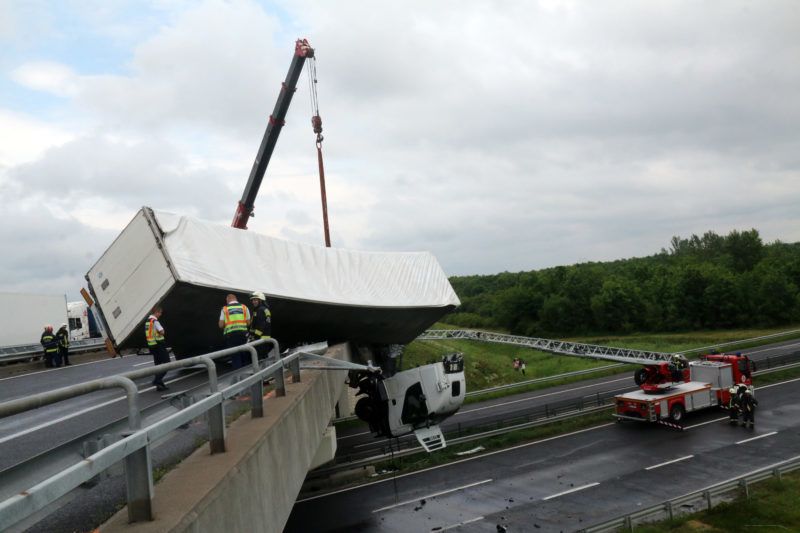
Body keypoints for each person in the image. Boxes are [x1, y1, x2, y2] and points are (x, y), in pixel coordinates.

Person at [219, 293, 251, 369]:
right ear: (236, 299)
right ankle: (247, 373)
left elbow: (221, 325)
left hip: (231, 336)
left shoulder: (225, 309)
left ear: (228, 299)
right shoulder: (244, 307)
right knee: (244, 353)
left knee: (235, 355)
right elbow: (249, 323)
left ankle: (238, 376)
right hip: (243, 334)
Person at [145, 306, 169, 391]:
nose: (161, 314)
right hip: (159, 345)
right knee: (167, 363)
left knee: (158, 365)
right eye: (160, 313)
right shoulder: (155, 321)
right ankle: (157, 380)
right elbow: (162, 332)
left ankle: (159, 386)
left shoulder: (148, 321)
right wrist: (161, 333)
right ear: (156, 312)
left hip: (152, 346)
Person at [249, 291, 272, 357]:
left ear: (261, 300)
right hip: (265, 338)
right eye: (253, 300)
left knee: (260, 358)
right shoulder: (265, 309)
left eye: (255, 300)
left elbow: (260, 326)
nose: (253, 302)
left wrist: (253, 336)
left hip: (260, 339)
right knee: (264, 357)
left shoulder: (260, 310)